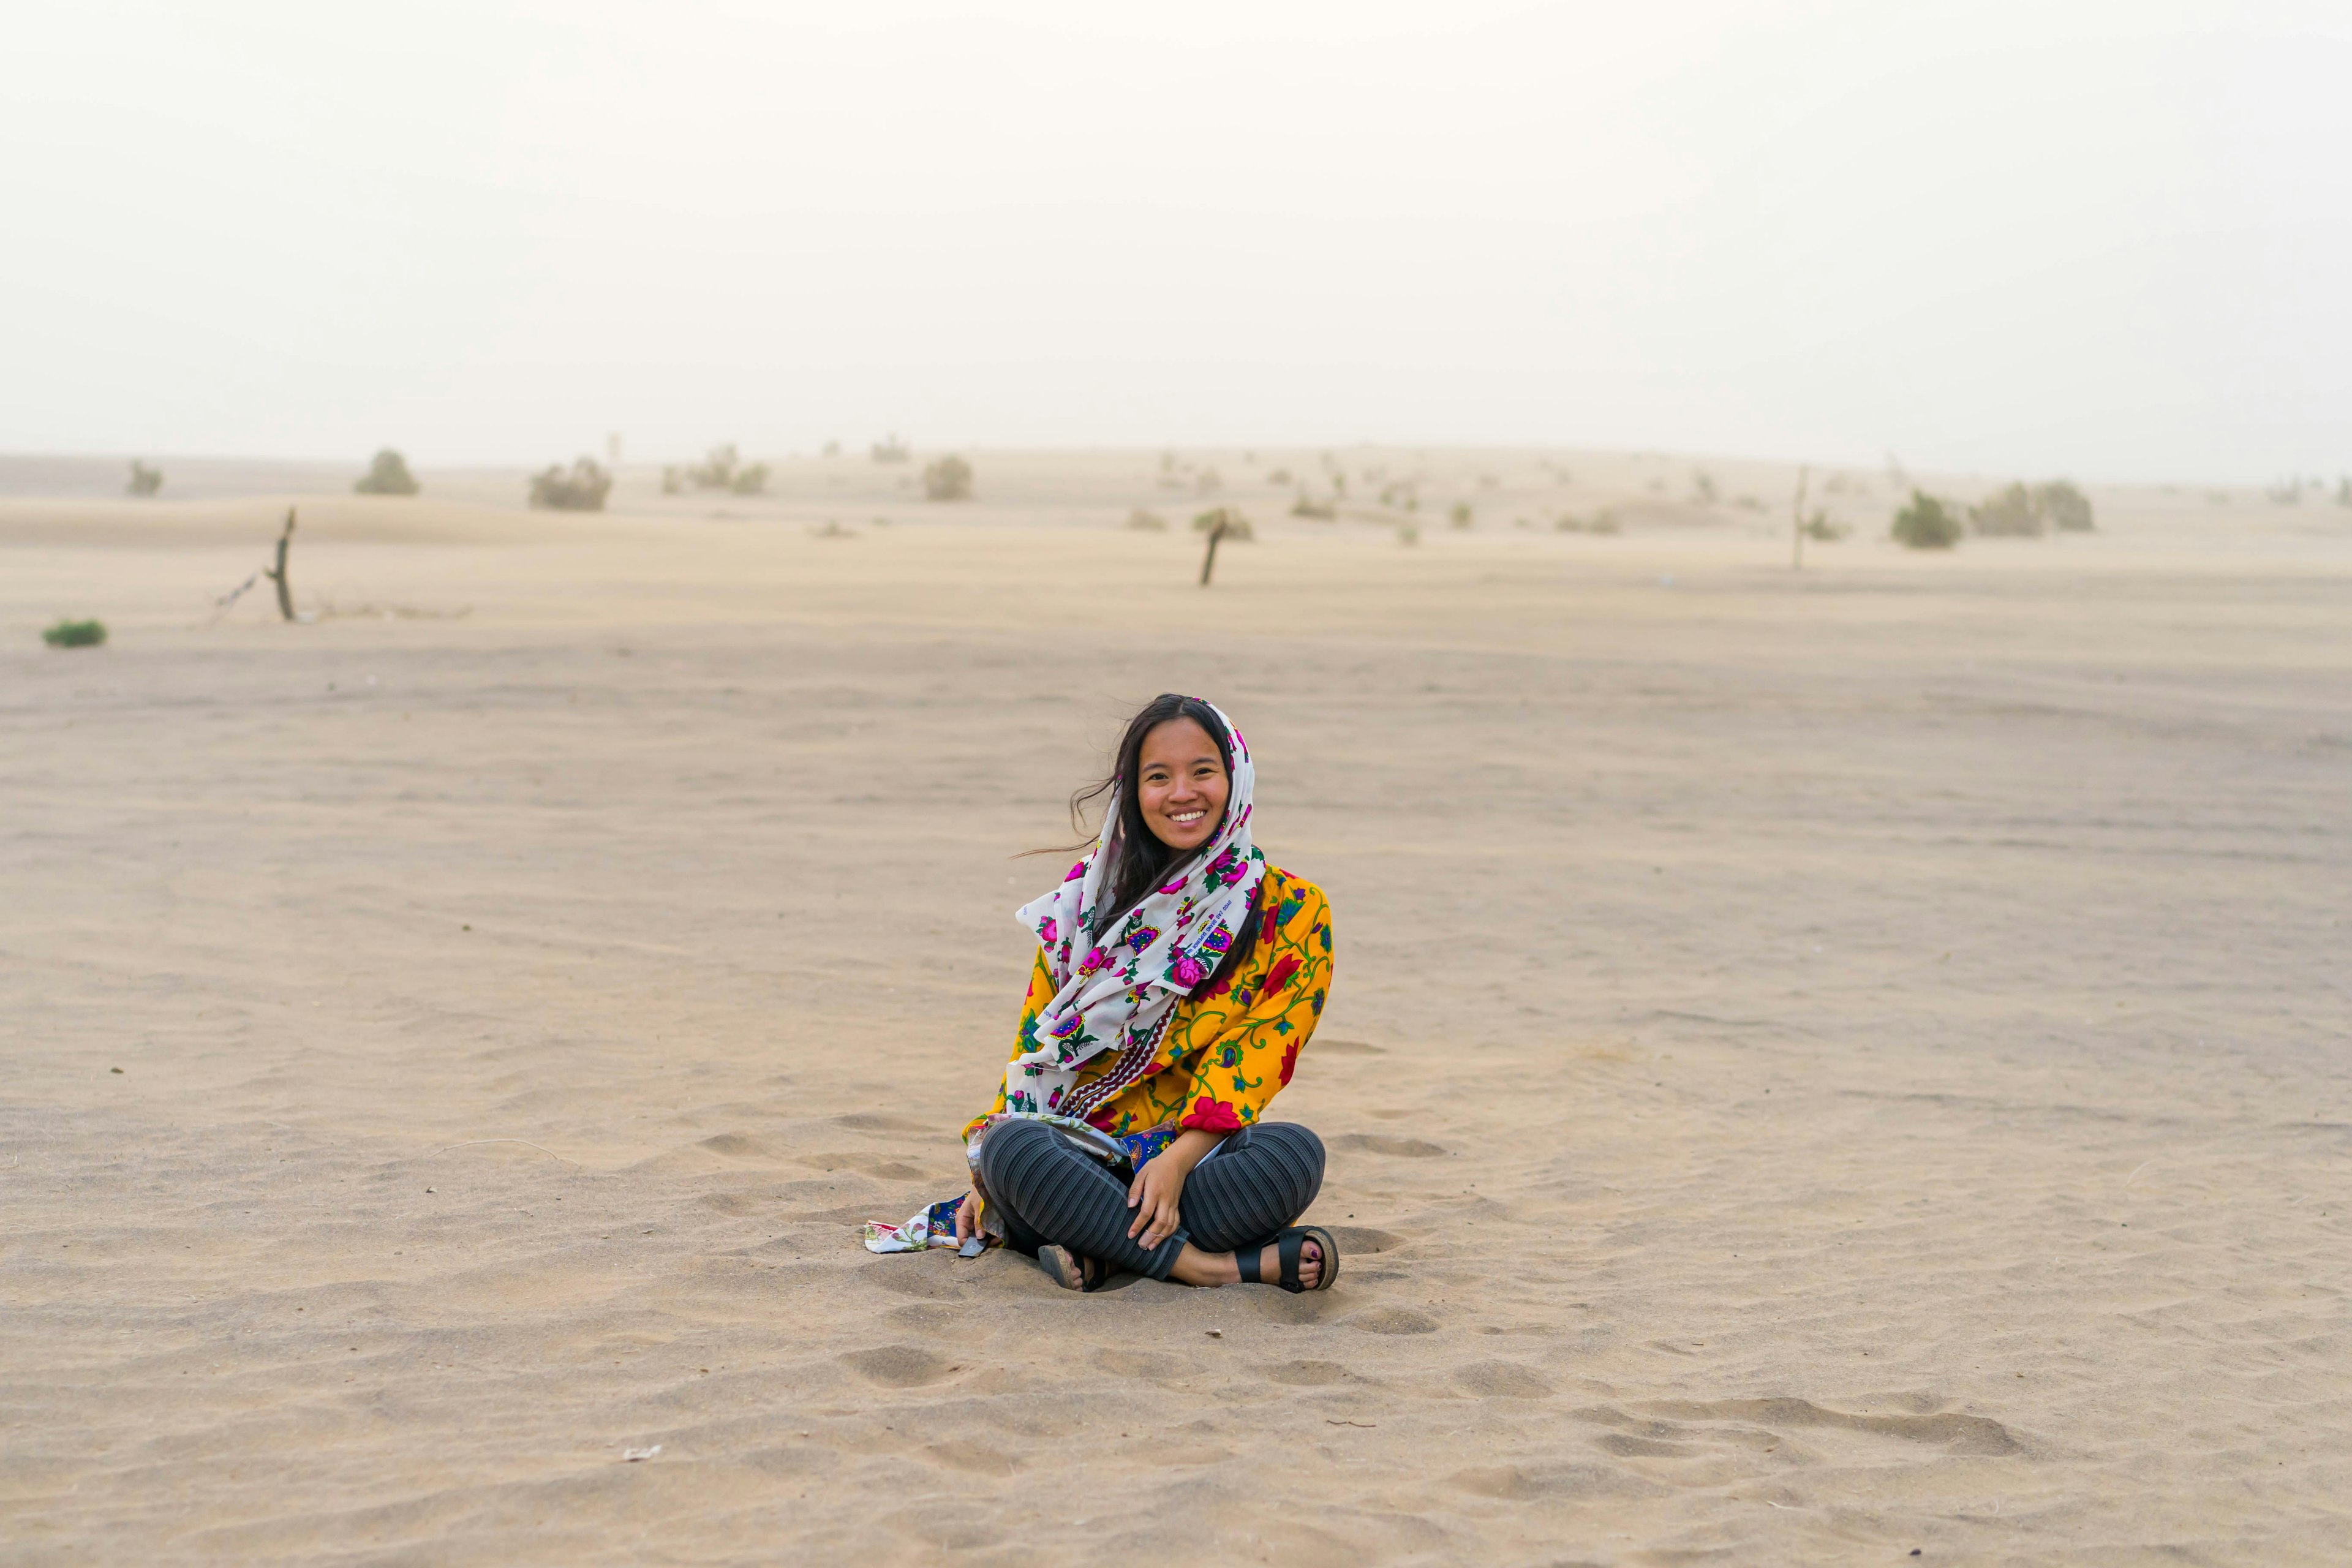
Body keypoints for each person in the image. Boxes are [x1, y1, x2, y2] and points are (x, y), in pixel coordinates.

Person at [955, 695, 1338, 1293]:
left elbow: (1260, 1051)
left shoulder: (1291, 910)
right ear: (1133, 791)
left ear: (1235, 778)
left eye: (1203, 771)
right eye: (1158, 777)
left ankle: (1099, 1247)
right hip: (1079, 1150)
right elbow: (1038, 1044)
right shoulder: (1087, 905)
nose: (1183, 792)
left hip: (1195, 1158)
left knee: (1294, 1154)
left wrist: (1176, 1162)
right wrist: (986, 1177)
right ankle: (1205, 1266)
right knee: (1012, 1148)